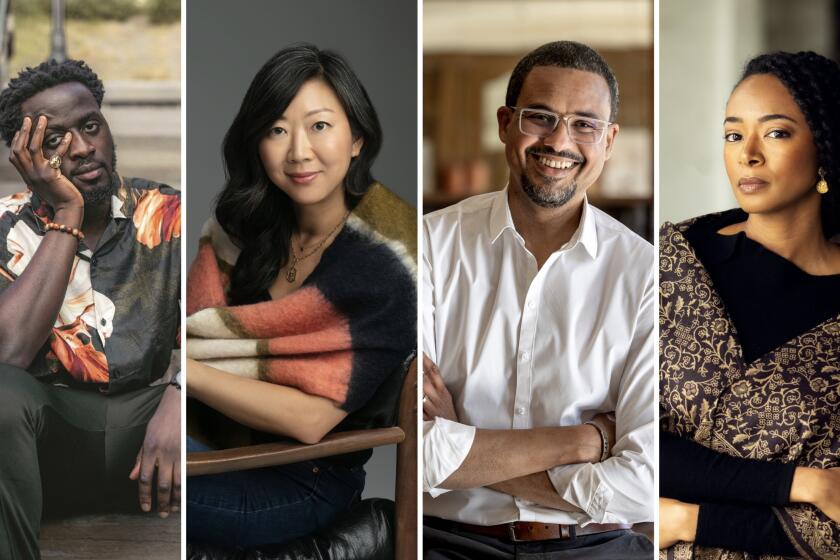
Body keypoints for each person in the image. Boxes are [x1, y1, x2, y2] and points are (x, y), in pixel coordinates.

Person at [422, 41, 655, 559]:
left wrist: (467, 448)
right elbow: (415, 451)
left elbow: (644, 484)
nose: (560, 141)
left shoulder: (646, 276)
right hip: (449, 543)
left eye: (584, 124)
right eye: (541, 117)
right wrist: (587, 442)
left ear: (610, 139)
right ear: (506, 122)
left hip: (599, 546)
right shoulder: (430, 247)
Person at [185, 44, 416, 549]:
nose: (298, 152)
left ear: (357, 138)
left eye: (319, 126)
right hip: (212, 443)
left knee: (118, 483)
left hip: (303, 483)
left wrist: (183, 370)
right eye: (276, 129)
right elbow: (193, 333)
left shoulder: (388, 261)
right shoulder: (238, 230)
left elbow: (312, 420)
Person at [659, 51, 840, 559]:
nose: (748, 155)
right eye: (734, 135)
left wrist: (687, 519)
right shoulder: (673, 263)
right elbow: (626, 436)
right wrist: (806, 484)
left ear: (825, 148)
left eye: (777, 133)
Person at [0, 59, 181, 559]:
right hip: (44, 447)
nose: (82, 147)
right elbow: (8, 353)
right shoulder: (5, 229)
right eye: (54, 140)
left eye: (90, 125)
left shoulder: (167, 215)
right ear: (24, 154)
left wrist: (181, 394)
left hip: (145, 439)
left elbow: (224, 329)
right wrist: (66, 214)